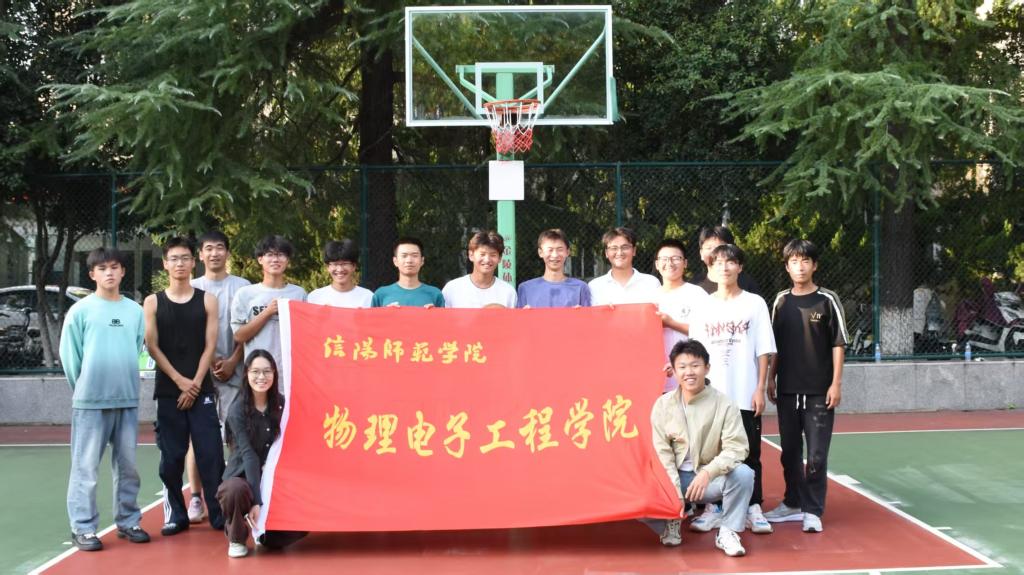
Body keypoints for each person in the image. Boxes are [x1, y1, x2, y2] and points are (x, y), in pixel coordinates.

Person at [60, 248, 150, 550]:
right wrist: (85, 387)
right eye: (102, 268)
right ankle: (83, 528)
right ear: (92, 274)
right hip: (90, 402)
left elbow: (136, 347)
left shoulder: (135, 311)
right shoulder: (80, 311)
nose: (109, 272)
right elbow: (70, 357)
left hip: (127, 399)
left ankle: (128, 521)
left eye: (114, 267)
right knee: (85, 468)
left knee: (128, 467)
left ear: (123, 271)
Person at [687, 244, 776, 535]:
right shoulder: (703, 306)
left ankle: (753, 507)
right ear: (710, 268)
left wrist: (759, 387)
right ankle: (714, 508)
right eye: (718, 263)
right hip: (711, 396)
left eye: (730, 262)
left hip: (745, 394)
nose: (724, 267)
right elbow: (695, 353)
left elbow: (763, 350)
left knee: (749, 453)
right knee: (711, 454)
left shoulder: (755, 303)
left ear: (740, 267)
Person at [144, 237, 226, 536]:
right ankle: (176, 515)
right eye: (174, 258)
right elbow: (152, 346)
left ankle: (218, 513)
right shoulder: (153, 302)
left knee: (211, 454)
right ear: (165, 264)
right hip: (169, 392)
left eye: (185, 258)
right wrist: (180, 382)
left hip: (201, 390)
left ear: (194, 262)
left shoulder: (208, 300)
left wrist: (195, 384)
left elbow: (210, 345)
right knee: (171, 458)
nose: (180, 263)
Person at [765, 239, 848, 533]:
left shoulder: (827, 299)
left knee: (816, 455)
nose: (800, 267)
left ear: (814, 266)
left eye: (805, 261)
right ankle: (793, 502)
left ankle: (812, 510)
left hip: (818, 391)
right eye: (794, 262)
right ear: (787, 267)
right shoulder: (780, 301)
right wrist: (771, 377)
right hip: (787, 390)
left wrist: (835, 383)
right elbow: (773, 344)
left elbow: (839, 343)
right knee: (789, 451)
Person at [171, 230, 250, 525]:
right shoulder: (191, 287)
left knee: (236, 434)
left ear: (227, 253)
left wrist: (232, 361)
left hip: (236, 373)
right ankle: (196, 497)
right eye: (208, 248)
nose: (214, 253)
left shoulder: (243, 287)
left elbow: (247, 330)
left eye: (219, 248)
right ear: (200, 256)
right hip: (199, 376)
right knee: (198, 438)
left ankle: (235, 494)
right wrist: (209, 362)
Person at [649, 340, 754, 557]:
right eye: (682, 366)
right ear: (673, 371)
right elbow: (662, 454)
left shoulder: (724, 404)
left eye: (695, 365)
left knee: (744, 474)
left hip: (708, 481)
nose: (689, 372)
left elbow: (736, 448)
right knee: (638, 487)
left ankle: (728, 531)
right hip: (675, 478)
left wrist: (708, 472)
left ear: (707, 368)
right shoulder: (663, 405)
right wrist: (674, 493)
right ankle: (671, 519)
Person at [217, 350, 307, 558]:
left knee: (281, 539)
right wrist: (257, 501)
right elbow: (249, 455)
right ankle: (237, 537)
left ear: (274, 374)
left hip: (274, 477)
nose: (261, 377)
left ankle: (265, 534)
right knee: (234, 490)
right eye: (255, 371)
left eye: (267, 371)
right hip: (244, 474)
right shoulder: (237, 410)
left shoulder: (281, 404)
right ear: (246, 374)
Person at [231, 235, 307, 369]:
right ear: (260, 259)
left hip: (291, 369)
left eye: (281, 255)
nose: (275, 260)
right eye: (270, 255)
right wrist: (267, 312)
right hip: (258, 371)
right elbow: (239, 336)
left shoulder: (299, 294)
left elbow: (306, 334)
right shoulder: (245, 294)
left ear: (287, 260)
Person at [653, 239, 711, 393]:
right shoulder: (649, 298)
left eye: (676, 258)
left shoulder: (697, 294)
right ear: (657, 264)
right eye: (664, 259)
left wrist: (671, 323)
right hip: (657, 378)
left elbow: (708, 333)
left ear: (685, 263)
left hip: (690, 377)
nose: (670, 263)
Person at [516, 229, 592, 308]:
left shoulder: (580, 288)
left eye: (560, 250)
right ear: (540, 252)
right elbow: (518, 316)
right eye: (550, 250)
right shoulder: (526, 289)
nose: (555, 255)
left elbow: (589, 315)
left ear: (567, 252)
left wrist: (582, 314)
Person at [442, 230, 517, 308]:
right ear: (471, 255)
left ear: (500, 258)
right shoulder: (452, 288)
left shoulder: (508, 292)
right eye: (482, 254)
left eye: (493, 255)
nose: (487, 260)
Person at [588, 227, 660, 305]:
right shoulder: (594, 286)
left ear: (634, 250)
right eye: (614, 248)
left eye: (625, 247)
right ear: (606, 253)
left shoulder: (651, 283)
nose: (619, 253)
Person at [371, 237, 445, 308]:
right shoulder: (381, 294)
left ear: (422, 261)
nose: (409, 260)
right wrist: (385, 313)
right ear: (395, 261)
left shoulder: (435, 294)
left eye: (414, 256)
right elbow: (372, 317)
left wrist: (434, 313)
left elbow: (443, 317)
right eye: (404, 256)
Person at [693, 226, 761, 297]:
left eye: (719, 247)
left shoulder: (747, 284)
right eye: (709, 248)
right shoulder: (694, 287)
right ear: (701, 253)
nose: (714, 252)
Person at [307, 239, 374, 308]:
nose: (340, 269)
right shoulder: (315, 297)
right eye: (335, 264)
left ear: (354, 266)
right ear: (328, 267)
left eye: (344, 264)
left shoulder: (368, 297)